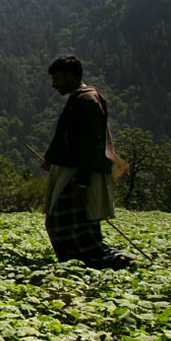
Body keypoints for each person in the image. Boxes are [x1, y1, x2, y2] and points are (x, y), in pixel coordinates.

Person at [41, 55, 133, 269]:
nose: (54, 84)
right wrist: (52, 159)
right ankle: (87, 263)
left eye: (57, 78)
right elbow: (71, 138)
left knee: (65, 224)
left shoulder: (87, 100)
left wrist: (82, 183)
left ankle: (109, 261)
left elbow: (92, 144)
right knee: (75, 225)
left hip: (80, 174)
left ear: (70, 75)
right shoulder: (80, 99)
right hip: (75, 172)